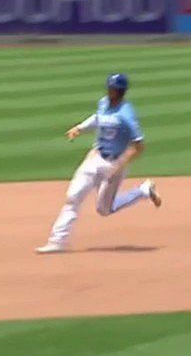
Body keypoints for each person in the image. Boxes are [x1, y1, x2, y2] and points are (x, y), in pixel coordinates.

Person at [37, 74, 162, 254]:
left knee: (104, 209)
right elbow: (97, 118)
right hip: (95, 157)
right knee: (73, 197)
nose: (111, 92)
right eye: (110, 88)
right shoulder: (103, 103)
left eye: (114, 89)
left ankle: (143, 191)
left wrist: (118, 166)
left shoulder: (126, 114)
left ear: (121, 92)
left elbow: (139, 146)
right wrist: (79, 128)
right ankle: (57, 241)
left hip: (114, 164)